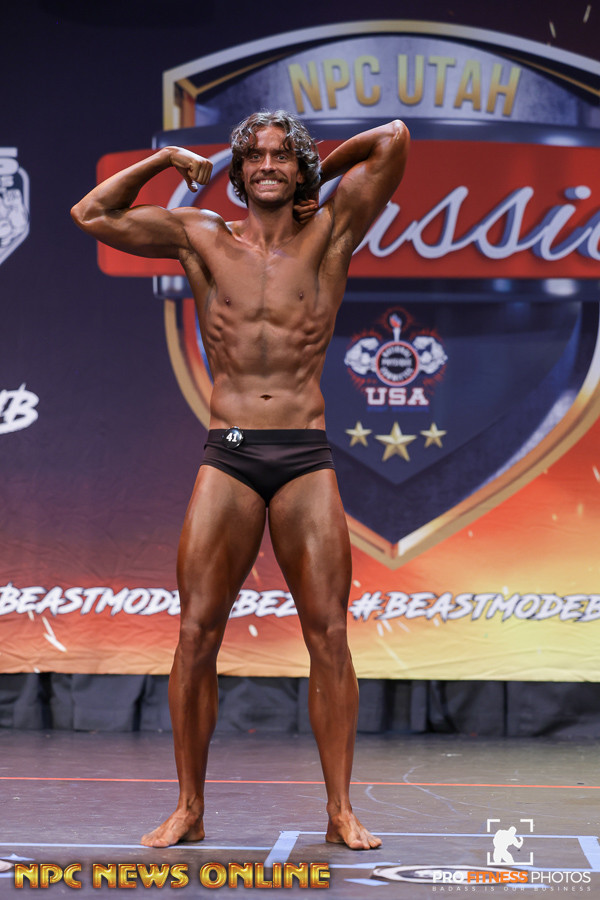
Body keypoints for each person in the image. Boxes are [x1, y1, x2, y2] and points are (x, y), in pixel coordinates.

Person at [71, 110, 409, 850]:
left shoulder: (332, 230)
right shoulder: (201, 235)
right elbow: (92, 214)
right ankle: (189, 808)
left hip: (304, 455)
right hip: (228, 453)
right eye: (254, 155)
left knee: (329, 635)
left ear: (298, 167)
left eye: (282, 155)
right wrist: (166, 159)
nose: (267, 165)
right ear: (237, 169)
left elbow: (392, 139)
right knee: (196, 633)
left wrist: (319, 176)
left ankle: (340, 810)